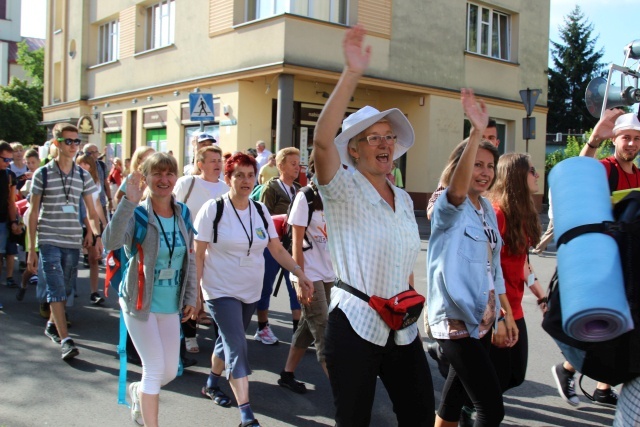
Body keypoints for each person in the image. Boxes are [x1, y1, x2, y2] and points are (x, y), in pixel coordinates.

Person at [312, 26, 434, 426]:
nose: (385, 144)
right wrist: (351, 73)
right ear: (355, 149)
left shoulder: (401, 197)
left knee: (418, 414)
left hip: (402, 326)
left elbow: (403, 261)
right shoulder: (342, 188)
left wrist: (416, 300)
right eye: (373, 138)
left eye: (389, 137)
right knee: (354, 419)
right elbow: (322, 144)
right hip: (355, 324)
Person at [194, 152, 313, 427]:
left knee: (227, 340)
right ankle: (247, 415)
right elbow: (198, 255)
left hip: (249, 290)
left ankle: (211, 383)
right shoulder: (214, 210)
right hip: (219, 289)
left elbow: (276, 248)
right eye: (239, 175)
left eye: (250, 175)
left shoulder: (259, 210)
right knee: (237, 345)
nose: (246, 181)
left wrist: (298, 272)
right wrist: (196, 294)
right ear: (228, 179)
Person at [427, 89, 517, 427]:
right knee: (490, 409)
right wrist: (476, 133)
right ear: (460, 165)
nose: (485, 171)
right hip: (454, 322)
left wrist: (502, 314)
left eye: (490, 166)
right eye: (477, 164)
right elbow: (456, 192)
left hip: (482, 321)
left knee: (452, 405)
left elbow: (493, 267)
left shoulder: (488, 210)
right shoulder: (446, 203)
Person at [550, 109, 640, 409]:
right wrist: (594, 139)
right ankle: (566, 370)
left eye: (637, 139)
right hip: (602, 260)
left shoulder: (637, 173)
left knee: (624, 327)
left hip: (628, 259)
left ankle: (603, 388)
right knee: (605, 323)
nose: (631, 144)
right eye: (626, 137)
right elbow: (576, 174)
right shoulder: (607, 167)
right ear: (615, 139)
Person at [103, 152, 197, 427]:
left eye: (169, 174)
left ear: (176, 178)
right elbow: (111, 240)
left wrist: (192, 296)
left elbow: (189, 258)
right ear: (145, 178)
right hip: (139, 302)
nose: (164, 179)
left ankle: (138, 391)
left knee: (169, 370)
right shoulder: (137, 213)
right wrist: (128, 203)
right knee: (155, 368)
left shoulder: (184, 213)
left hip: (170, 303)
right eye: (157, 173)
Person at [28, 123, 102, 360]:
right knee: (56, 288)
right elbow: (32, 210)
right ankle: (66, 339)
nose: (73, 146)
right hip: (49, 238)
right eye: (68, 141)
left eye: (76, 141)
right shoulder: (43, 173)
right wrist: (31, 248)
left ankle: (52, 324)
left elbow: (91, 211)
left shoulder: (82, 175)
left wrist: (95, 235)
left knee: (67, 288)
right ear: (56, 143)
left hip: (72, 240)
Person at [487, 153, 547, 395]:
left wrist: (542, 297)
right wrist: (500, 315)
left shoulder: (522, 214)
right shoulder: (496, 214)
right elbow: (484, 268)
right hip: (497, 311)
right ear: (517, 176)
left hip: (515, 308)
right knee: (496, 380)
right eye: (532, 170)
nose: (537, 175)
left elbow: (523, 262)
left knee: (515, 375)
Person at [277, 157, 335, 393]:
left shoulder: (334, 197)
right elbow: (296, 244)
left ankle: (287, 374)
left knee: (306, 326)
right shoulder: (305, 197)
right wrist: (300, 278)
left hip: (330, 274)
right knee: (324, 333)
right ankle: (343, 399)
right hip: (309, 274)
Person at [173, 145, 229, 353]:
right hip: (189, 248)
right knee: (190, 291)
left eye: (219, 160)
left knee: (214, 293)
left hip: (215, 251)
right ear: (200, 164)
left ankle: (221, 339)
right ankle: (189, 335)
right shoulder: (187, 183)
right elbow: (173, 209)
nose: (218, 164)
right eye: (213, 160)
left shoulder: (225, 188)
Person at [256, 147, 302, 345]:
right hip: (272, 247)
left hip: (292, 247)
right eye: (293, 164)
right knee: (265, 287)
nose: (297, 168)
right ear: (281, 165)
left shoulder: (299, 189)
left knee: (296, 287)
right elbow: (262, 218)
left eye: (298, 164)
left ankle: (298, 333)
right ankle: (262, 327)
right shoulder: (270, 188)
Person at [427, 120, 501, 219]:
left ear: (497, 142)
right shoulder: (458, 173)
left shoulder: (502, 173)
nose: (486, 141)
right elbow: (433, 213)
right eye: (481, 137)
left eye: (491, 138)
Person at [76, 153, 108, 305]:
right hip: (75, 223)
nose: (84, 166)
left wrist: (104, 223)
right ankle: (70, 289)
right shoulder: (73, 180)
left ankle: (94, 292)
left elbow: (96, 206)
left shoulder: (95, 182)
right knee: (70, 259)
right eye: (81, 163)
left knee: (94, 258)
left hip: (92, 223)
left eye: (86, 164)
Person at [83, 143, 113, 221]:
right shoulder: (81, 166)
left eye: (96, 152)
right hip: (85, 204)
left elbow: (106, 183)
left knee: (102, 227)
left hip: (101, 202)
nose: (94, 155)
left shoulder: (101, 165)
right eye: (91, 152)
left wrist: (110, 200)